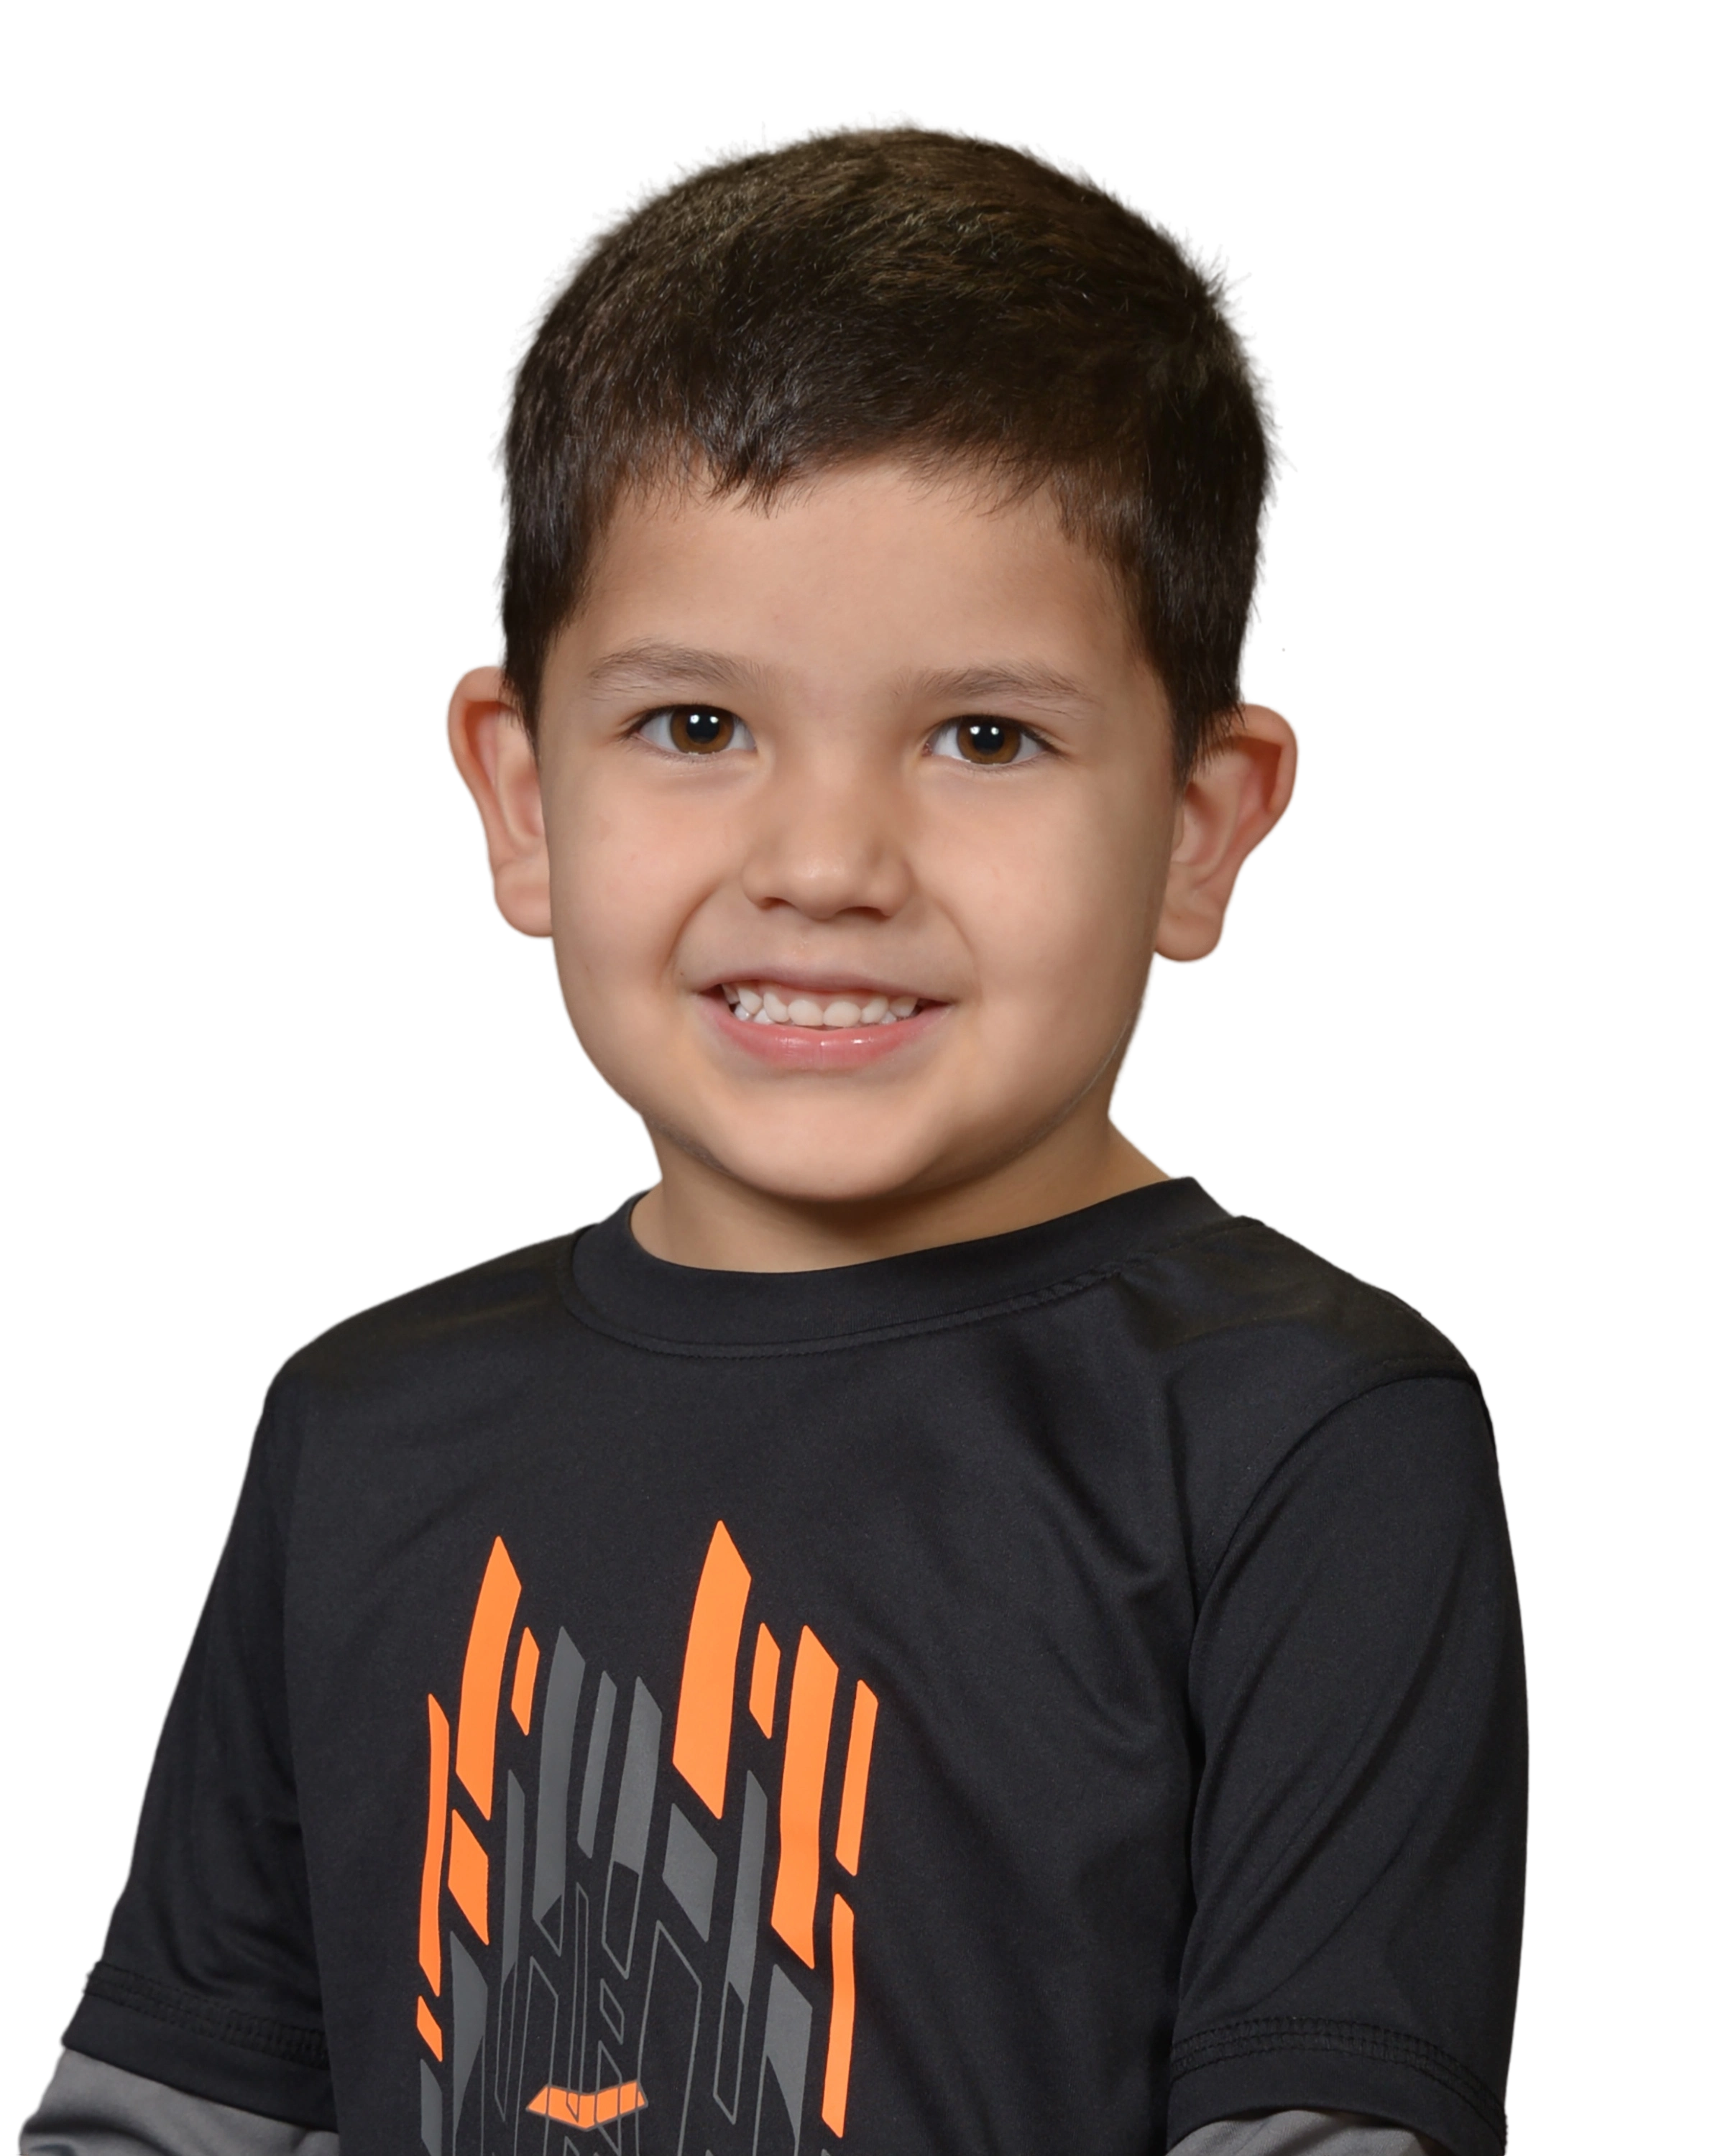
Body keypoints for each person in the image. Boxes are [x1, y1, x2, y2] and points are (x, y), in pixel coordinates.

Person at [19, 109, 1528, 2156]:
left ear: (1198, 827)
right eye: (697, 726)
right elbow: (166, 2114)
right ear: (521, 796)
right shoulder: (355, 1433)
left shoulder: (1309, 1439)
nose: (826, 862)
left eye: (984, 736)